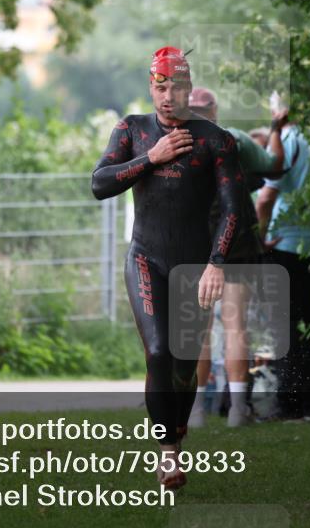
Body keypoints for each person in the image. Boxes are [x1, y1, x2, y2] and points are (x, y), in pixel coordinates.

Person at [91, 47, 247, 489]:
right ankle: (168, 453)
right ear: (151, 88)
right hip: (146, 257)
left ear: (189, 89)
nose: (168, 97)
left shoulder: (216, 140)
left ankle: (176, 433)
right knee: (159, 351)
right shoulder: (133, 130)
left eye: (177, 88)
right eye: (160, 88)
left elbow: (233, 209)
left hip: (196, 267)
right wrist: (152, 158)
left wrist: (217, 264)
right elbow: (99, 184)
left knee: (182, 363)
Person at [186, 87, 289, 427]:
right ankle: (236, 411)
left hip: (196, 244)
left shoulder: (171, 143)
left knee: (199, 330)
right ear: (213, 109)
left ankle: (197, 411)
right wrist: (276, 128)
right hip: (235, 244)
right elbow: (275, 166)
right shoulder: (235, 139)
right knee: (235, 326)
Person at [255, 92, 310, 422]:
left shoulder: (287, 140)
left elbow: (267, 196)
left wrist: (257, 238)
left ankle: (287, 404)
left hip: (282, 244)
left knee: (282, 328)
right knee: (308, 322)